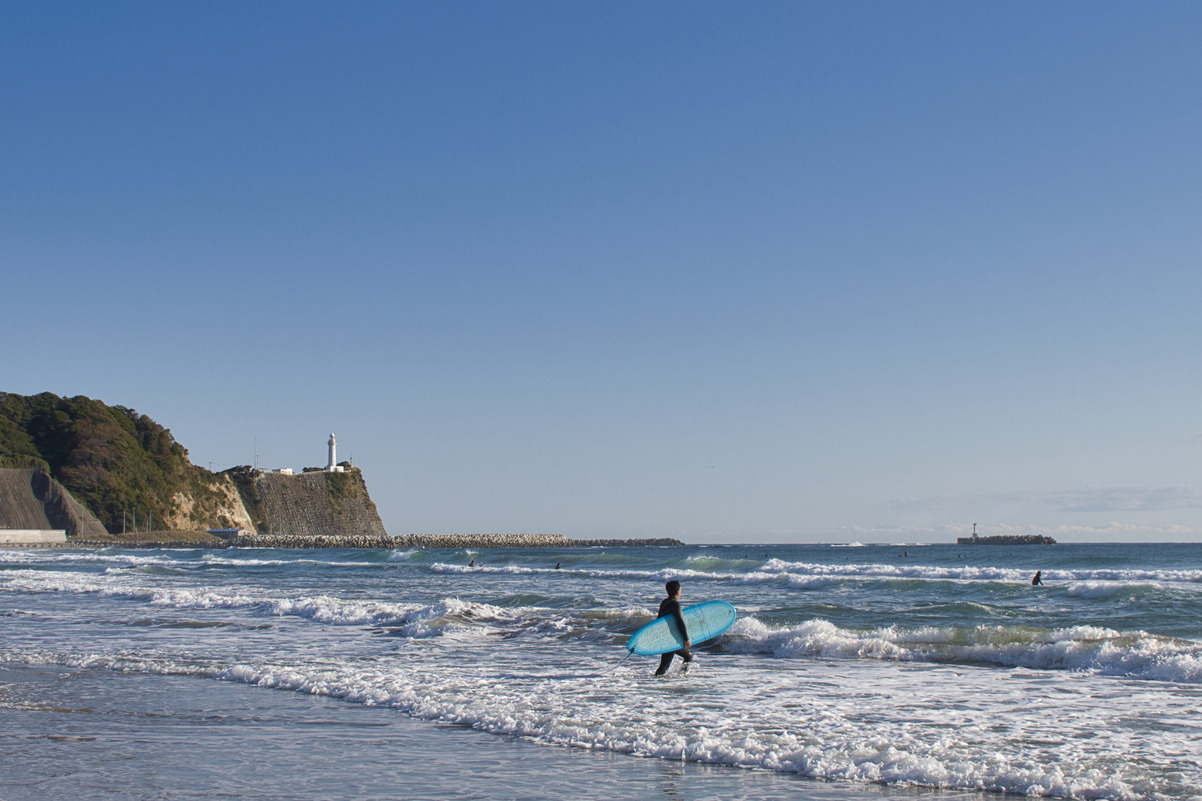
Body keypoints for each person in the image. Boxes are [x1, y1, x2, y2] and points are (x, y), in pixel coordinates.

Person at [655, 579, 693, 676]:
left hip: (666, 637)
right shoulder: (675, 603)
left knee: (687, 656)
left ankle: (682, 676)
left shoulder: (664, 602)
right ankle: (682, 677)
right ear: (678, 591)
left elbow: (658, 620)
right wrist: (686, 639)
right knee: (664, 666)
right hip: (671, 640)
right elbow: (680, 621)